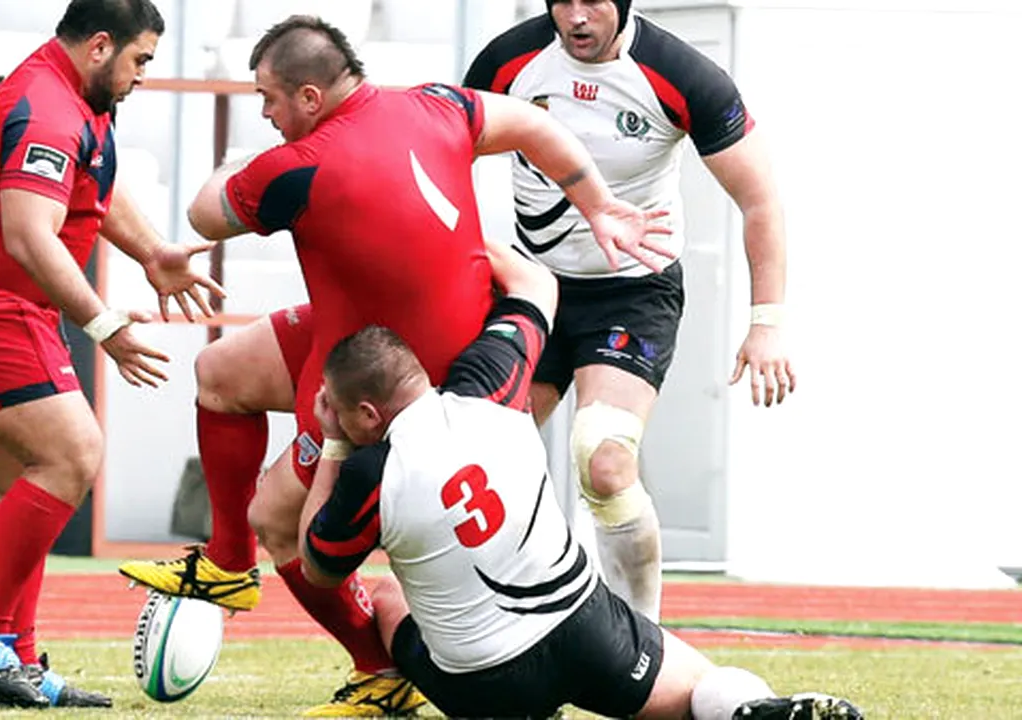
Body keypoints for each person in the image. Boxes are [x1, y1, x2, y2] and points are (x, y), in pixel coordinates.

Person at [117, 14, 672, 716]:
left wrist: (245, 167)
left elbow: (204, 214)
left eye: (270, 99)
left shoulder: (297, 166)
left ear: (311, 98)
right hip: (383, 338)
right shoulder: (439, 103)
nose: (265, 113)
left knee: (280, 521)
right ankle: (228, 565)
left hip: (397, 379)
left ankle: (378, 671)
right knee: (222, 373)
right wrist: (598, 205)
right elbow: (538, 127)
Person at [296, 259, 861, 720]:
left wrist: (333, 445)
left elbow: (318, 567)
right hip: (584, 633)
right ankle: (751, 711)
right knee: (701, 691)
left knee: (391, 597)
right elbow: (537, 284)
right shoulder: (492, 385)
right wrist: (445, 238)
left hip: (481, 685)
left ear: (368, 414)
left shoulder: (371, 472)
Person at [0, 0, 220, 709]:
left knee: (20, 484)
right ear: (100, 46)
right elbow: (29, 235)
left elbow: (93, 178)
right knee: (73, 454)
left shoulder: (75, 96)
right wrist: (103, 324)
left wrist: (154, 252)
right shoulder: (48, 106)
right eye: (140, 60)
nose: (142, 77)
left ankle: (17, 660)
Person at [461, 0, 798, 624]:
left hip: (631, 292)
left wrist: (767, 322)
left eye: (593, 1)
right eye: (563, 1)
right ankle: (501, 626)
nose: (577, 17)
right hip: (533, 288)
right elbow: (441, 156)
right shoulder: (509, 61)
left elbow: (760, 200)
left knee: (604, 459)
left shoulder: (682, 73)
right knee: (480, 455)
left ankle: (641, 642)